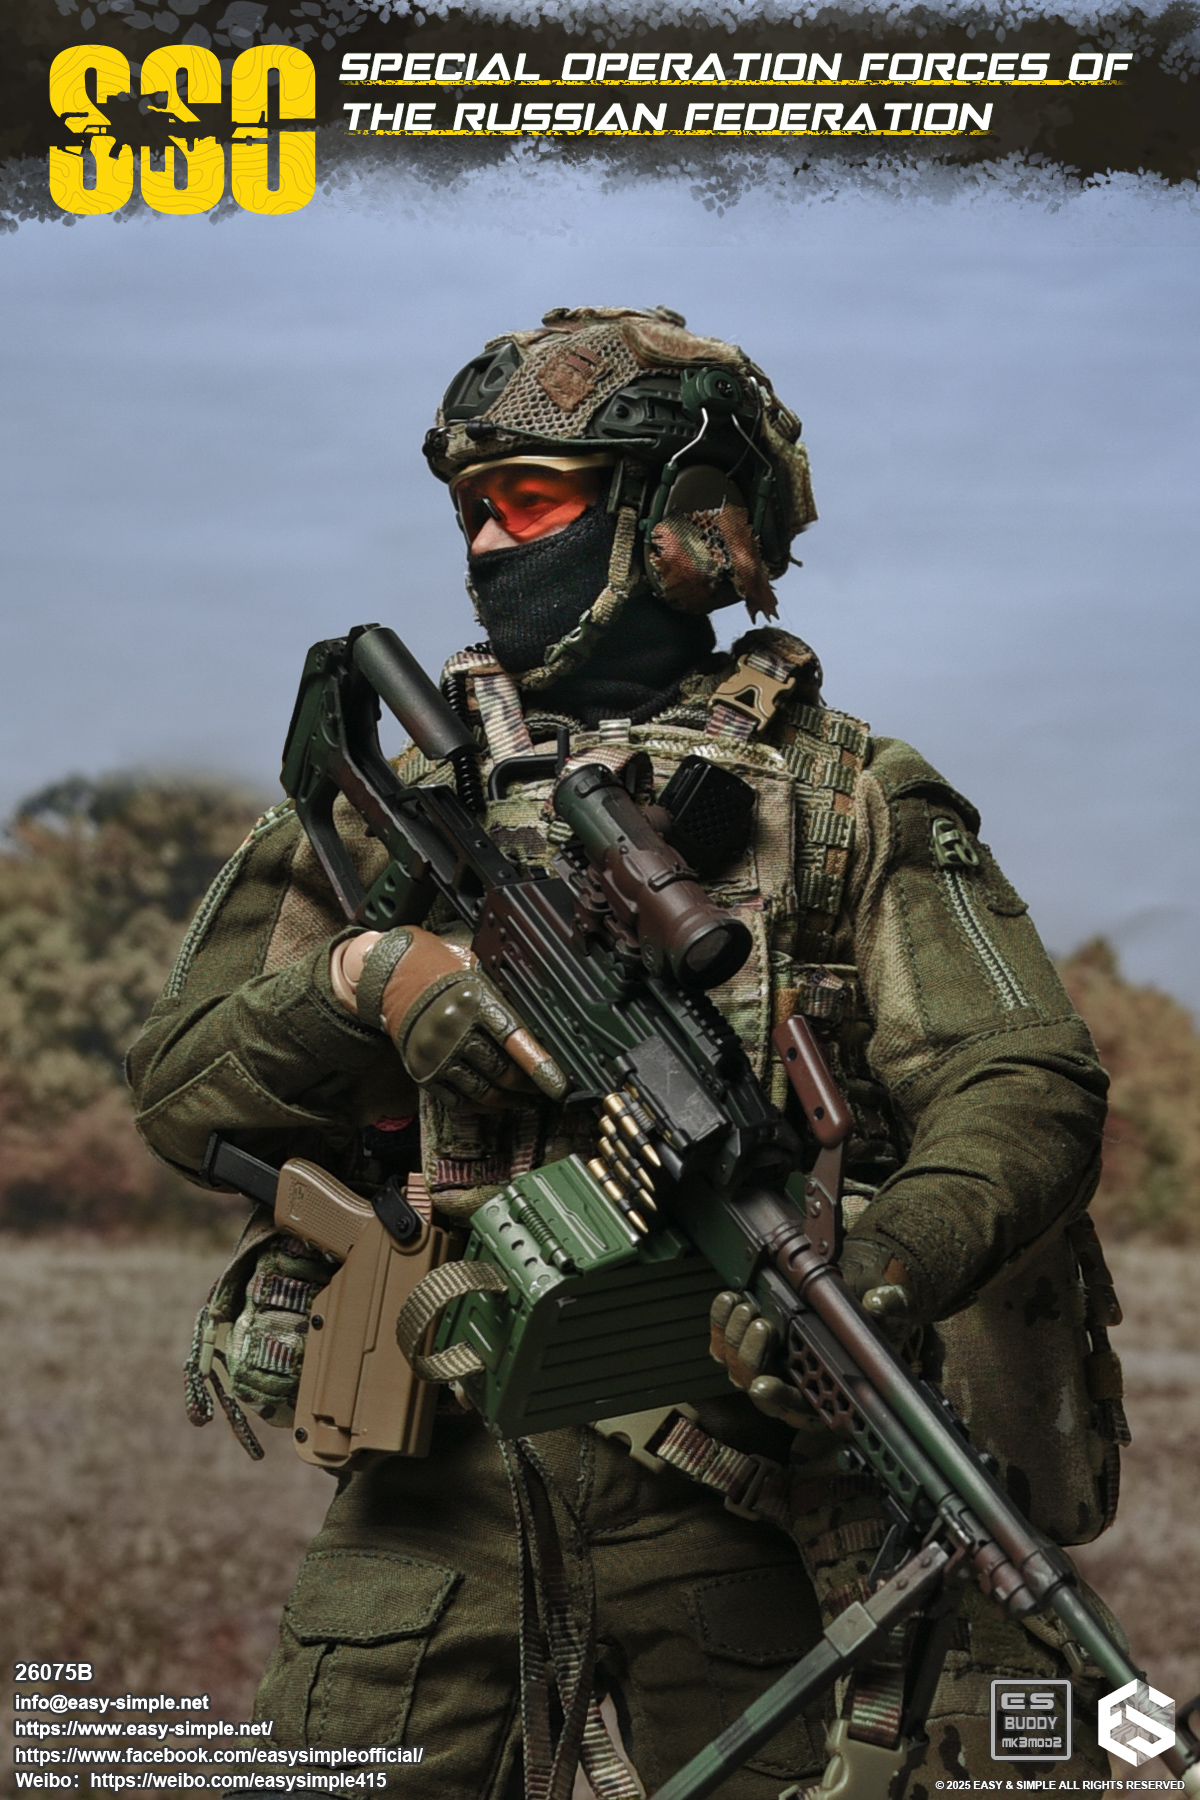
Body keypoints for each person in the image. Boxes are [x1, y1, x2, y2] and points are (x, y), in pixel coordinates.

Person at [128, 306, 1127, 1800]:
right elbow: (175, 1086)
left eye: (528, 499)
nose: (485, 543)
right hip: (439, 1474)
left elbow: (1023, 1083)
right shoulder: (393, 808)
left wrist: (888, 1258)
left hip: (741, 1488)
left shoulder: (849, 799)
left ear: (682, 520)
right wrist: (369, 980)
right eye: (470, 509)